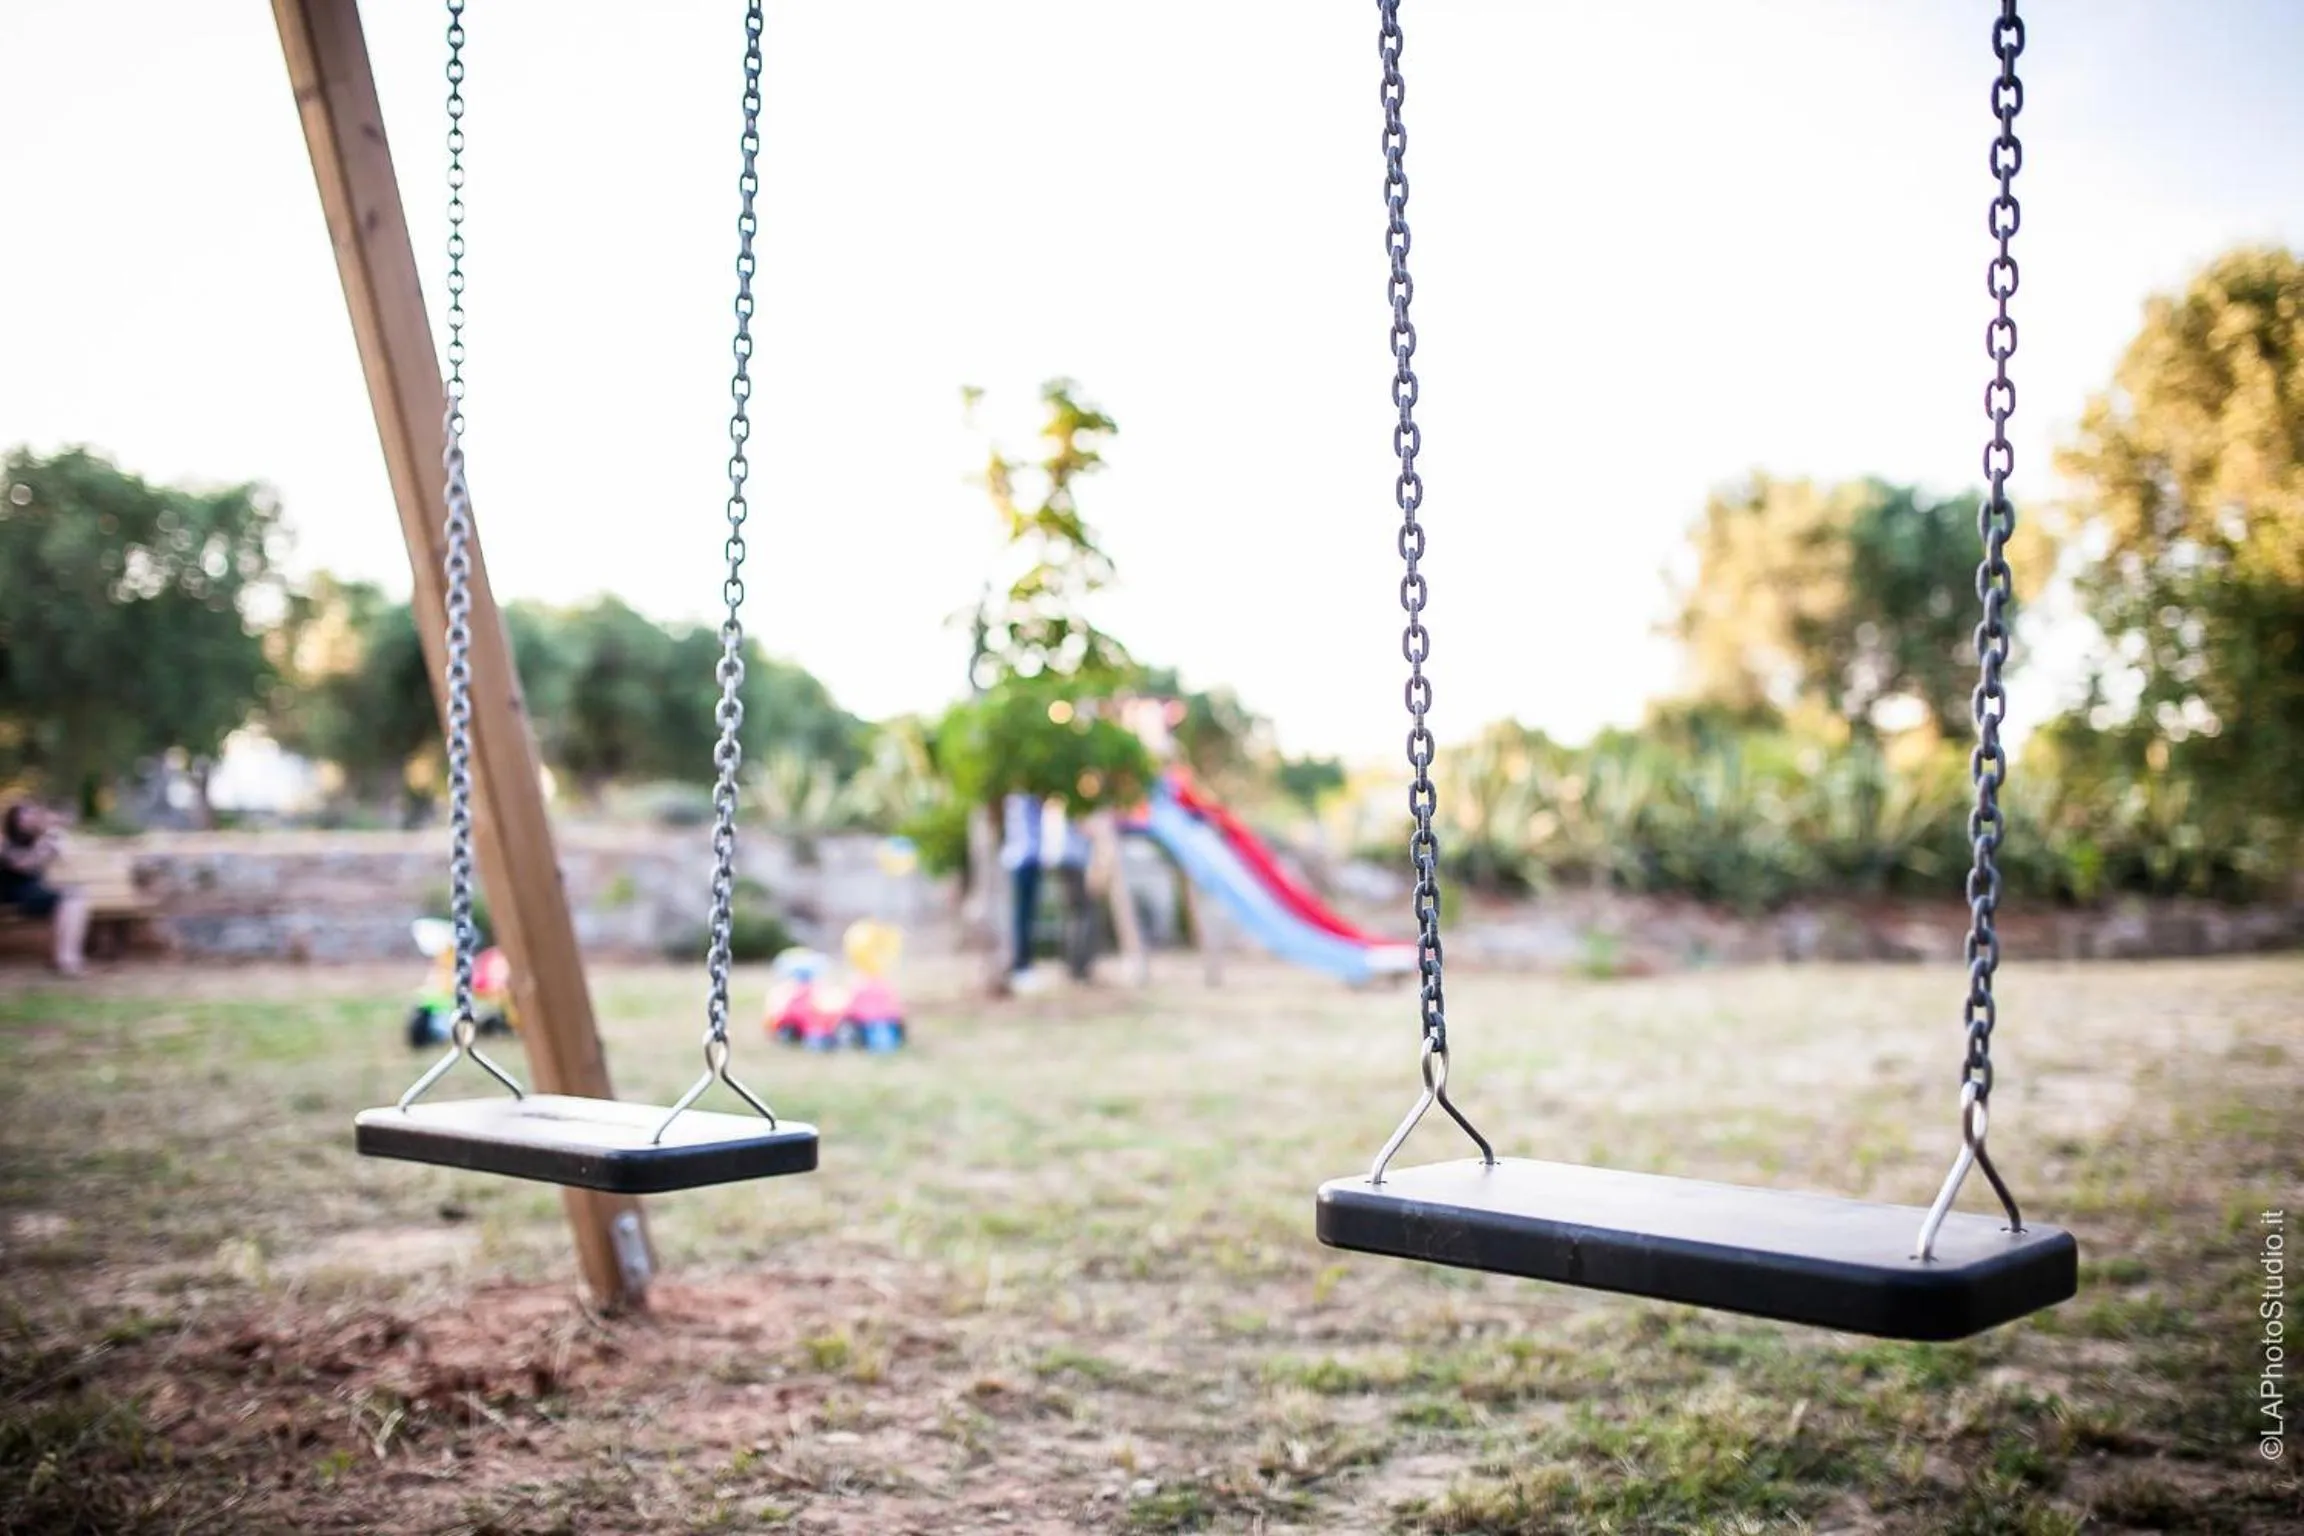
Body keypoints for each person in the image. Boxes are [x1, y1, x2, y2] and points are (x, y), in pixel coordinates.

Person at [2, 801, 90, 976]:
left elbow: (65, 859)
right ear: (12, 821)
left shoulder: (39, 840)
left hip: (32, 894)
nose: (28, 820)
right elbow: (23, 864)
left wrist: (55, 841)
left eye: (30, 816)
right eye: (22, 817)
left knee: (75, 896)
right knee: (70, 897)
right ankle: (64, 959)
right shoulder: (4, 842)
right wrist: (43, 847)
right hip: (11, 896)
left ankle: (65, 957)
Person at [999, 791, 1045, 982]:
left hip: (1031, 859)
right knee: (1021, 915)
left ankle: (1024, 963)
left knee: (1028, 915)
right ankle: (1020, 964)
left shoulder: (1032, 799)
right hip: (1020, 861)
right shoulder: (1014, 800)